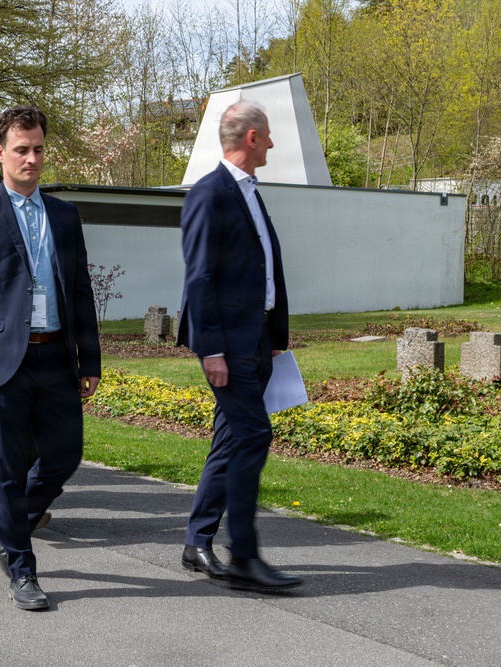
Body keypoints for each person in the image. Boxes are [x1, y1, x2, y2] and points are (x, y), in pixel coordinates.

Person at [0, 105, 101, 611]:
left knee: (65, 455)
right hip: (2, 362)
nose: (32, 159)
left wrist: (90, 360)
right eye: (21, 150)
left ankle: (9, 520)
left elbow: (80, 290)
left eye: (37, 149)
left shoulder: (64, 214)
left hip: (56, 356)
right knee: (7, 469)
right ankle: (21, 565)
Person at [177, 101, 302, 592]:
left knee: (231, 439)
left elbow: (265, 267)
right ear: (251, 138)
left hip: (256, 341)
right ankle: (245, 555)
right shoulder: (210, 194)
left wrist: (274, 338)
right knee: (253, 436)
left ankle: (197, 541)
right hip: (225, 347)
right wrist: (210, 351)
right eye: (267, 136)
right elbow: (200, 277)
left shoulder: (250, 192)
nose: (271, 144)